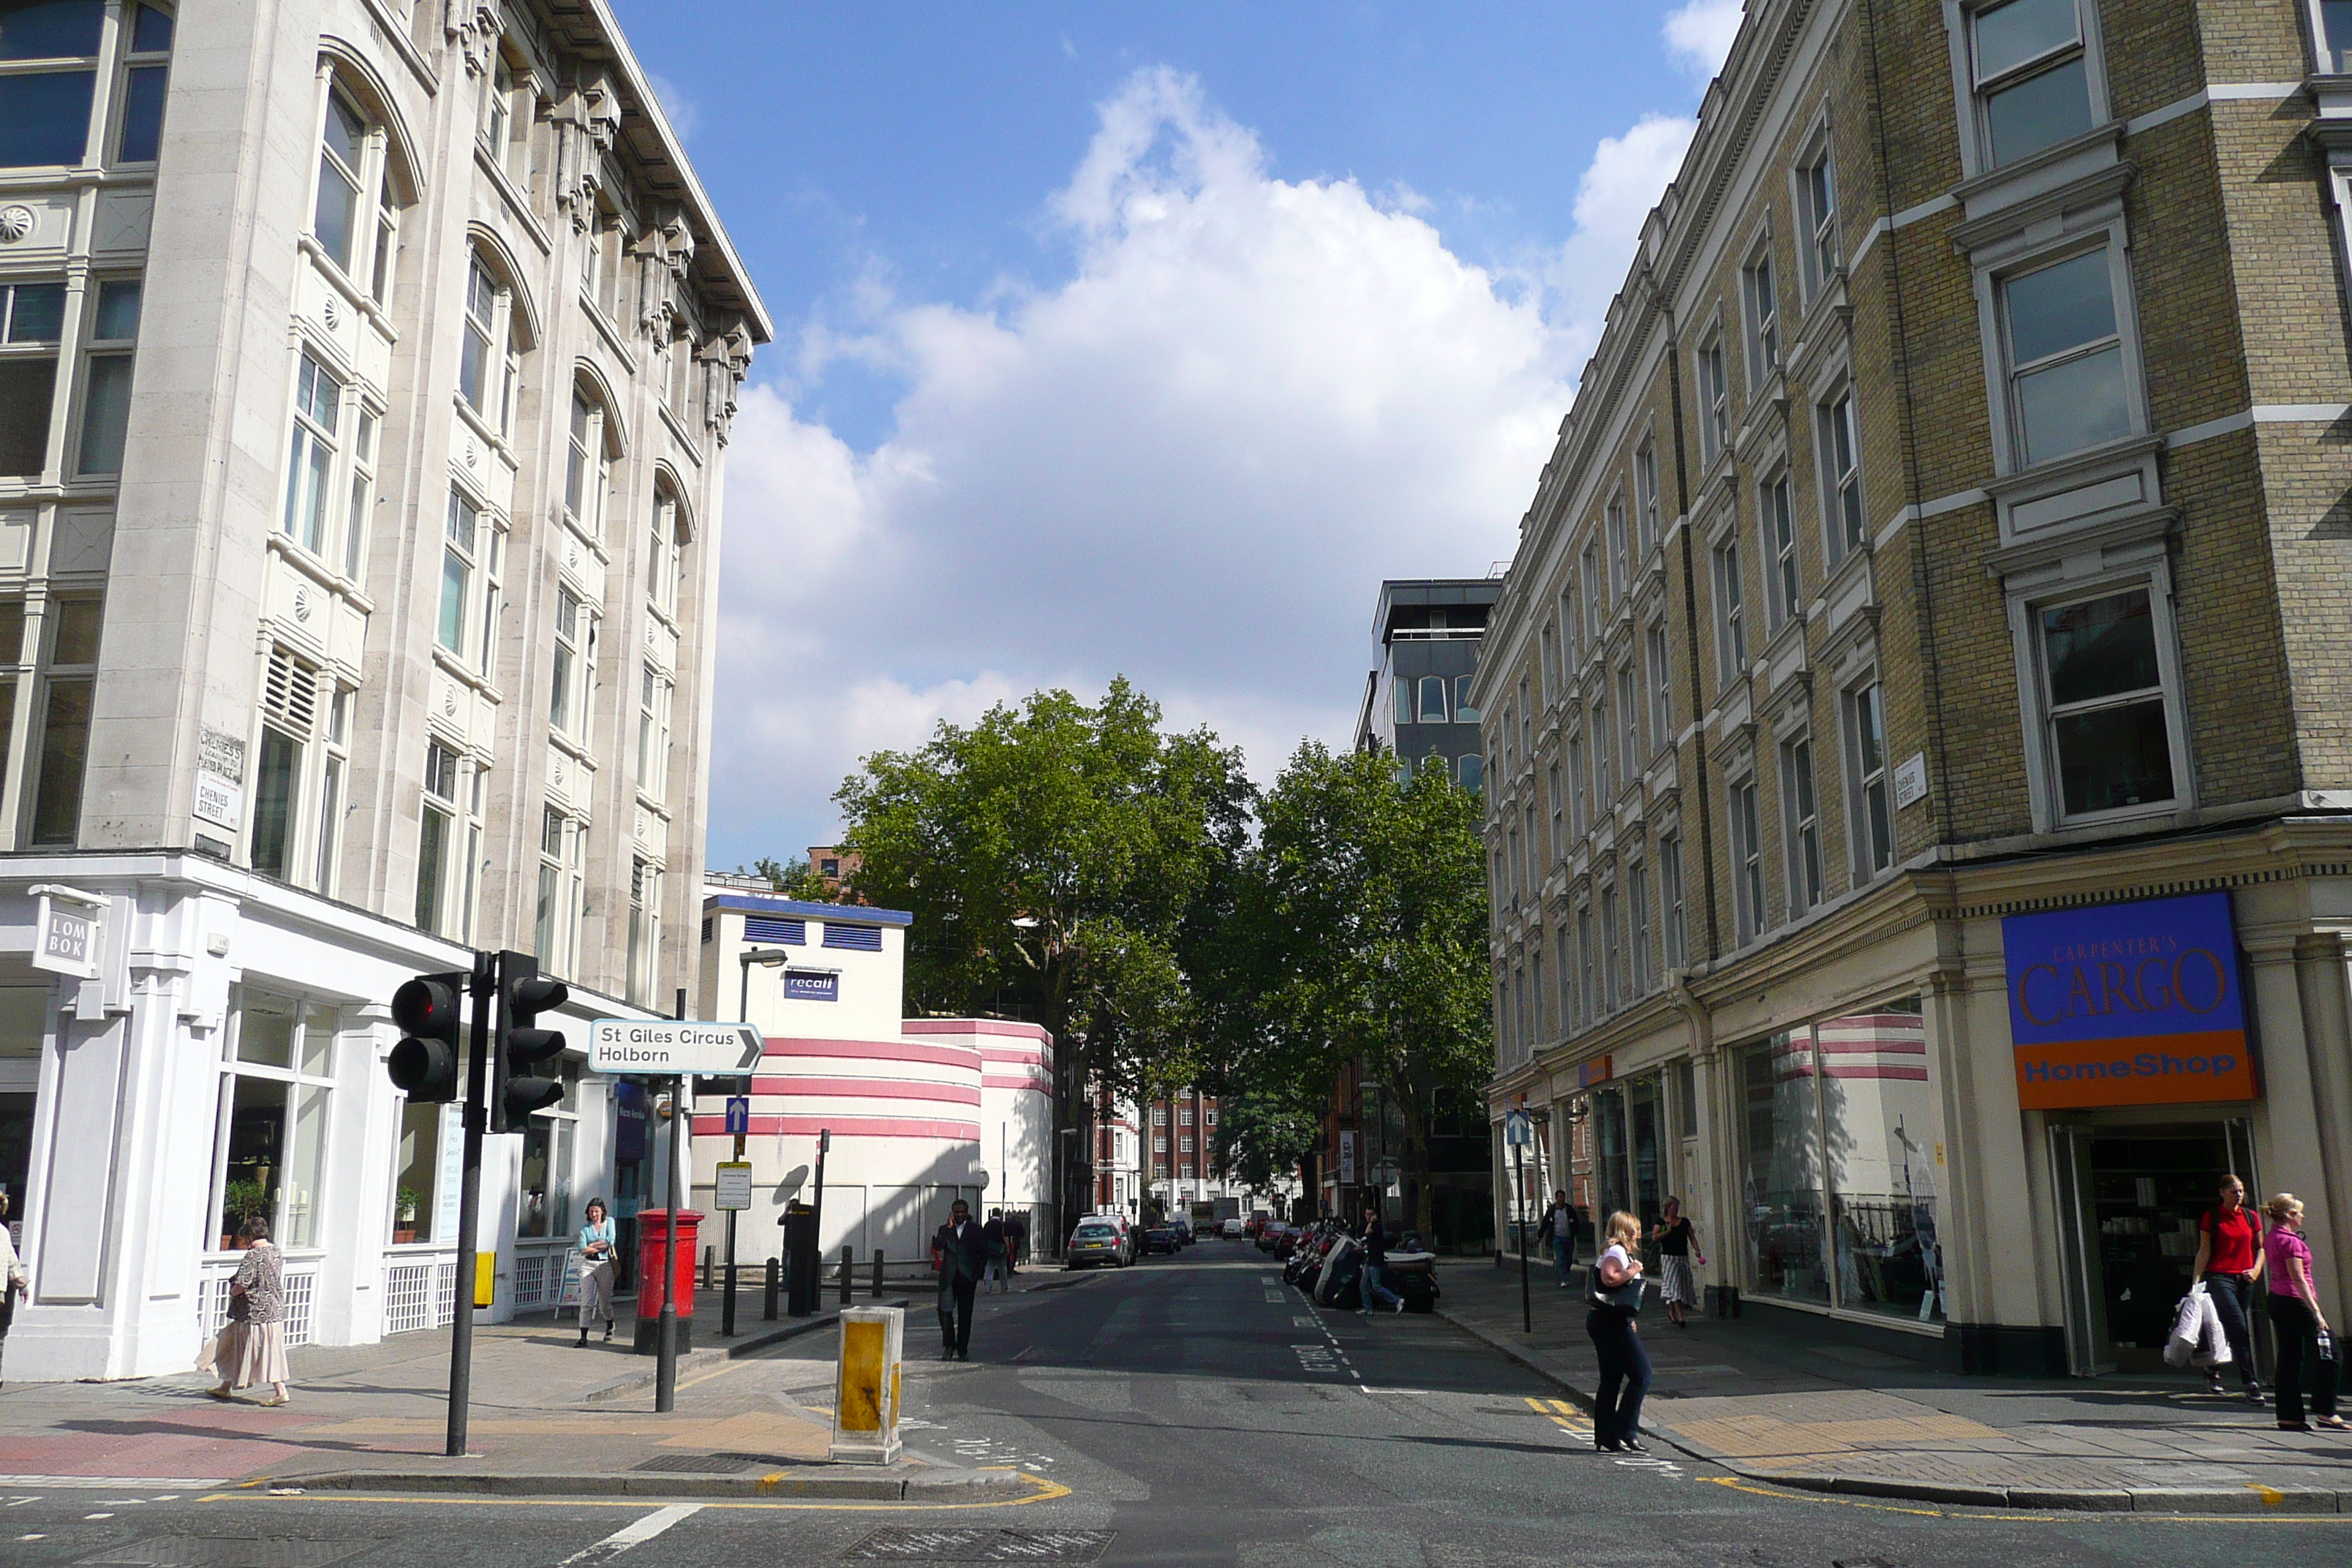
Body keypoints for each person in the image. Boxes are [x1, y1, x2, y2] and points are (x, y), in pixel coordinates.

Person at [2262, 1192, 2344, 1432]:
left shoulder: (2272, 1237)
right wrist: (2316, 1312)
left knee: (2290, 1357)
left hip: (2277, 1299)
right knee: (2332, 1353)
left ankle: (2289, 1416)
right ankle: (2325, 1410)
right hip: (2296, 1301)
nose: (2302, 1216)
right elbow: (2298, 1279)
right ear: (2289, 1215)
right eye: (2299, 1212)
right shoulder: (2291, 1242)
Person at [202, 1215, 290, 1406]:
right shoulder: (275, 1251)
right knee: (238, 1346)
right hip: (273, 1308)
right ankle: (225, 1387)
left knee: (260, 1350)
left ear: (249, 1236)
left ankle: (281, 1390)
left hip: (253, 1311)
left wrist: (233, 1291)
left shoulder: (253, 1256)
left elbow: (243, 1282)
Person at [2190, 1174, 2264, 1401]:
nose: (2239, 1195)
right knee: (2238, 1325)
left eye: (2241, 1191)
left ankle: (2212, 1369)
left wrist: (2255, 1270)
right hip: (2219, 1276)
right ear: (2222, 1192)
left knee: (2229, 1325)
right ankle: (2250, 1382)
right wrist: (2196, 1282)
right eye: (2234, 1191)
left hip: (2244, 1278)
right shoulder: (2212, 1217)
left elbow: (2261, 1248)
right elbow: (2205, 1251)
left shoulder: (2251, 1217)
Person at [1587, 1210, 1653, 1453]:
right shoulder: (1616, 1252)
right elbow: (1609, 1279)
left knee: (1611, 1380)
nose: (1638, 1233)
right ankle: (1625, 1430)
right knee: (1642, 1374)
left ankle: (1606, 1436)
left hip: (1608, 1321)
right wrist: (1632, 1271)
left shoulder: (1613, 1251)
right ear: (1626, 1231)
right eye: (1635, 1228)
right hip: (1609, 1323)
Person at [931, 1199, 987, 1360]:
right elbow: (938, 1246)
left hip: (967, 1277)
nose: (960, 1214)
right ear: (952, 1213)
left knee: (965, 1315)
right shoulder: (945, 1229)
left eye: (962, 1212)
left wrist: (977, 1273)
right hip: (948, 1277)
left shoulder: (976, 1230)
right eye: (957, 1212)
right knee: (944, 1311)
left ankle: (962, 1349)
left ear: (967, 1212)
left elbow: (983, 1253)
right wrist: (948, 1229)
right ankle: (949, 1345)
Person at [1652, 1196, 1706, 1329]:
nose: (1676, 1209)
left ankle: (1671, 1312)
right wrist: (1667, 1232)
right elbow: (1655, 1238)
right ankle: (1681, 1317)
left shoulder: (1685, 1222)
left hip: (1682, 1257)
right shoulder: (1661, 1222)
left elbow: (1692, 1237)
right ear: (1667, 1207)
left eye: (1677, 1206)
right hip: (1668, 1258)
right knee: (1674, 1286)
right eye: (1674, 1206)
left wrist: (1697, 1250)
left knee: (1680, 1285)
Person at [576, 1197, 618, 1346]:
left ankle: (610, 1324)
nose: (594, 1214)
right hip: (588, 1264)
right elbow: (582, 1249)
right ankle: (583, 1337)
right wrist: (598, 1247)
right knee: (587, 1302)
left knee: (604, 1302)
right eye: (591, 1211)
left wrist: (592, 1244)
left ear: (602, 1212)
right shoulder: (585, 1229)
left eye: (596, 1211)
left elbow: (610, 1240)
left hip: (605, 1264)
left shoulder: (609, 1223)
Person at [1357, 1204, 1404, 1313]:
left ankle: (1397, 1300)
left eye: (1370, 1214)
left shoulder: (1376, 1226)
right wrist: (1362, 1247)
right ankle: (1367, 1308)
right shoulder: (1372, 1225)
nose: (1368, 1217)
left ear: (1375, 1215)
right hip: (1370, 1260)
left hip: (1376, 1261)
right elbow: (1371, 1243)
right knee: (1363, 1285)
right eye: (1367, 1214)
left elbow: (1367, 1232)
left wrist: (1372, 1222)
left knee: (1376, 1286)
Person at [0, 1192, 26, 1389]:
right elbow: (12, 1263)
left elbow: (11, 1262)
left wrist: (21, 1284)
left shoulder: (2, 1232)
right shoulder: (2, 1232)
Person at [1537, 1191, 1578, 1288]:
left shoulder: (1569, 1209)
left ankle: (1565, 1274)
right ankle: (1564, 1279)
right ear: (1556, 1198)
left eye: (1563, 1197)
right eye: (1560, 1197)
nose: (1562, 1199)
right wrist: (1540, 1235)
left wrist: (1575, 1232)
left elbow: (1576, 1221)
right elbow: (1545, 1223)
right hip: (1557, 1237)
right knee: (1560, 1259)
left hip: (1568, 1237)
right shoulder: (1552, 1210)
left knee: (1568, 1259)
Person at [982, 1208, 1011, 1294]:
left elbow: (984, 1237)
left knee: (989, 1269)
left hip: (989, 1250)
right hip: (1000, 1250)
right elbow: (1005, 1237)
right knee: (1002, 1269)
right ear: (1000, 1214)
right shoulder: (1002, 1225)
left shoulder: (987, 1224)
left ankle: (988, 1288)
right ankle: (1004, 1287)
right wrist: (1008, 1247)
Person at [1003, 1210, 1026, 1276]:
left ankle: (1008, 1268)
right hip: (1016, 1240)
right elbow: (1022, 1232)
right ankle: (1012, 1268)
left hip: (1008, 1241)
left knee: (1008, 1255)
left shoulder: (1007, 1223)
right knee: (1014, 1254)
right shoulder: (1018, 1223)